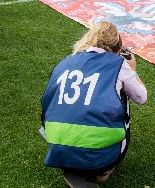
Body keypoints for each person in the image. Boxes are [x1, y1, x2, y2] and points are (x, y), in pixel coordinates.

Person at [41, 21, 147, 188]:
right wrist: (132, 69)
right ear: (118, 46)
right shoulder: (118, 64)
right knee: (120, 96)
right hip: (101, 159)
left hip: (57, 145)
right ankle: (102, 171)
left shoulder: (66, 61)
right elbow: (141, 97)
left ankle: (71, 158)